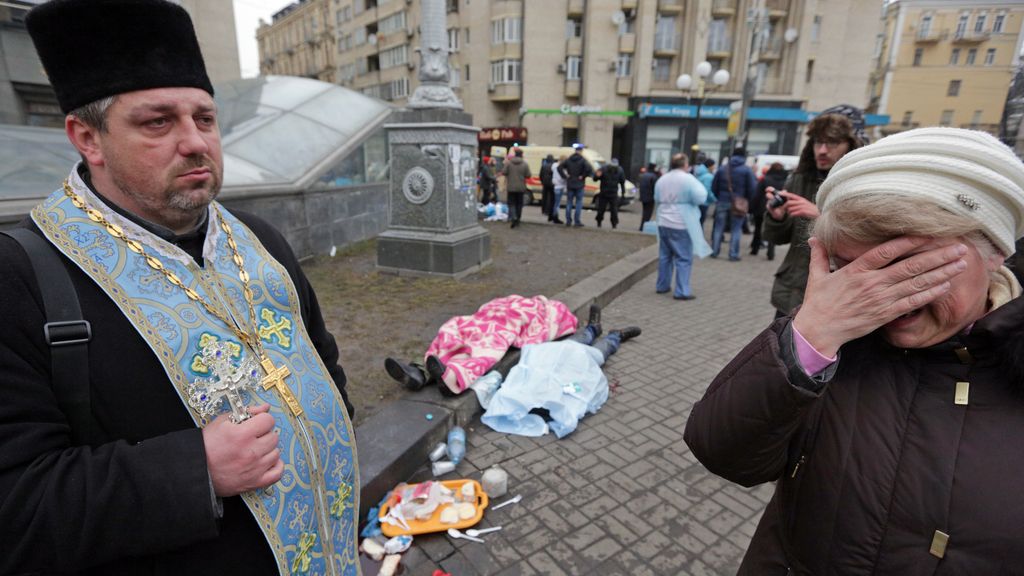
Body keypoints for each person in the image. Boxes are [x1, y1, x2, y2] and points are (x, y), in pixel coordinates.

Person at [0, 1, 357, 574]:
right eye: (158, 122)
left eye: (205, 118)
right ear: (88, 138)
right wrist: (197, 470)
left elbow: (321, 356)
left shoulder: (260, 238)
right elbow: (16, 506)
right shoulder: (18, 276)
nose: (195, 142)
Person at [684, 127, 1024, 574]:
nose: (881, 296)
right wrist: (810, 337)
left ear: (995, 251)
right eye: (850, 269)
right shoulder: (836, 341)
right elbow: (725, 452)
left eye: (911, 267)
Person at [764, 105, 866, 317]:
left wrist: (823, 218)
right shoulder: (800, 179)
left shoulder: (863, 185)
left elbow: (869, 242)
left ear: (851, 145)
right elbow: (778, 238)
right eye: (818, 142)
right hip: (792, 293)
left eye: (833, 143)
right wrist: (778, 218)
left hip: (837, 299)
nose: (822, 150)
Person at [384, 295, 580, 395]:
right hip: (490, 318)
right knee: (460, 329)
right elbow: (494, 305)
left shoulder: (550, 310)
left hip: (505, 326)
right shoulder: (523, 302)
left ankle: (443, 376)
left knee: (485, 345)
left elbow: (558, 323)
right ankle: (422, 373)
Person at [654, 153, 713, 300]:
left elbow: (656, 197)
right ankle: (681, 291)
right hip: (681, 221)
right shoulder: (688, 179)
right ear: (685, 164)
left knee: (665, 256)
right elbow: (701, 196)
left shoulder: (663, 179)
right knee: (683, 258)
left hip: (663, 220)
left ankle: (662, 285)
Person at [710, 146, 757, 261]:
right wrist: (747, 200)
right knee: (736, 229)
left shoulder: (722, 169)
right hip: (739, 202)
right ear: (744, 156)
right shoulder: (747, 170)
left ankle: (715, 251)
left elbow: (714, 186)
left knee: (718, 227)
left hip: (722, 201)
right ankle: (733, 254)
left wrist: (719, 196)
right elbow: (752, 188)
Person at [751, 162, 788, 260]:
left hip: (762, 208)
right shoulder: (785, 181)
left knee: (758, 229)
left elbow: (757, 194)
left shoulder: (765, 179)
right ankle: (770, 253)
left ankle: (755, 248)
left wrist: (752, 207)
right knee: (773, 230)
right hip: (777, 208)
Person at [563, 143, 595, 227]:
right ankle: (577, 221)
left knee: (569, 203)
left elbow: (559, 168)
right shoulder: (583, 160)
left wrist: (565, 175)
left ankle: (568, 221)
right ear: (581, 151)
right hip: (579, 184)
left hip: (570, 183)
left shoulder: (569, 159)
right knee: (578, 203)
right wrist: (583, 176)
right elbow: (589, 169)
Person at [501, 147, 531, 229]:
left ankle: (513, 216)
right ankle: (517, 219)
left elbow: (503, 172)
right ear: (522, 155)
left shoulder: (509, 163)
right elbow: (528, 175)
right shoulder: (525, 164)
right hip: (521, 187)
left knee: (511, 203)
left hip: (511, 187)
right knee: (519, 204)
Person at [594, 158, 626, 229]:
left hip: (612, 193)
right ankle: (599, 222)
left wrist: (623, 193)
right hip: (604, 193)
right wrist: (596, 176)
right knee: (601, 210)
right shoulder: (604, 169)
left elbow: (622, 182)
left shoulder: (619, 170)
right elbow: (595, 179)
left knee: (614, 210)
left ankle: (614, 224)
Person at [695, 158, 716, 229]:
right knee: (701, 221)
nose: (714, 168)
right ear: (710, 166)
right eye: (714, 166)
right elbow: (708, 191)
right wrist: (714, 199)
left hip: (698, 200)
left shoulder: (700, 174)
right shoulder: (708, 177)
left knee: (697, 221)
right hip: (704, 202)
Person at [637, 162, 658, 231]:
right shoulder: (653, 176)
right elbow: (655, 187)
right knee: (648, 213)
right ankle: (643, 227)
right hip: (650, 197)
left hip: (643, 196)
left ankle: (642, 226)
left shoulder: (643, 175)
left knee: (645, 212)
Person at [550, 154, 567, 224]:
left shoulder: (554, 165)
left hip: (555, 186)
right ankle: (555, 217)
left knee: (555, 203)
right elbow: (565, 177)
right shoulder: (563, 168)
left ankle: (553, 216)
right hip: (561, 186)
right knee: (557, 203)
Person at [540, 153, 555, 218]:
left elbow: (540, 175)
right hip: (552, 183)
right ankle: (549, 210)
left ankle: (544, 210)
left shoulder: (543, 166)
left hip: (545, 183)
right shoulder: (554, 166)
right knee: (551, 197)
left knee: (544, 197)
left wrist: (542, 181)